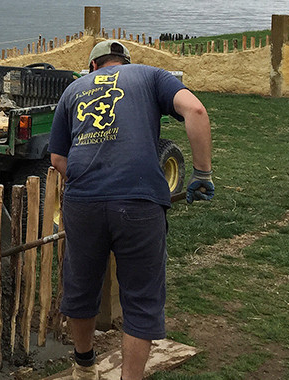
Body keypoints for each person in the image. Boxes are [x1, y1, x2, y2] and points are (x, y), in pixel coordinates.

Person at [48, 40, 214, 380]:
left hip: (84, 203)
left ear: (92, 66)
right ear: (124, 62)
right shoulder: (152, 76)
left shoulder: (74, 89)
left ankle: (83, 366)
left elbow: (57, 159)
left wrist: (91, 181)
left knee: (81, 285)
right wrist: (202, 173)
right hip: (139, 202)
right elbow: (195, 111)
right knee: (140, 296)